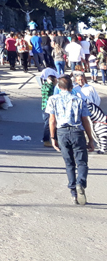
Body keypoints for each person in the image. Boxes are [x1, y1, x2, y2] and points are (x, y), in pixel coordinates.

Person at [45, 74, 97, 205]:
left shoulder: (52, 99)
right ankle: (81, 183)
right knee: (82, 163)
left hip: (62, 133)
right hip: (77, 132)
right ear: (72, 87)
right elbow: (85, 120)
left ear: (59, 87)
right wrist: (90, 138)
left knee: (69, 164)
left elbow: (52, 120)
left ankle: (73, 192)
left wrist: (52, 137)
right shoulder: (78, 100)